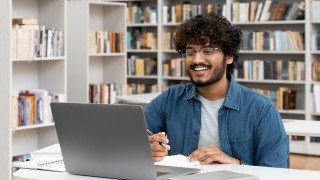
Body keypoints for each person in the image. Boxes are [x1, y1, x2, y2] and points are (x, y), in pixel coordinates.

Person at [144, 13, 288, 168]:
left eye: (208, 51)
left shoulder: (260, 108)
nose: (197, 59)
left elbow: (277, 169)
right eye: (190, 52)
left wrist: (235, 164)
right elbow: (132, 137)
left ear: (229, 56)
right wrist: (147, 148)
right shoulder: (170, 98)